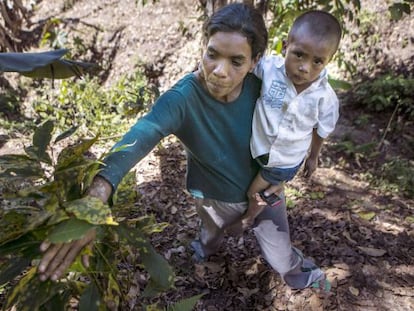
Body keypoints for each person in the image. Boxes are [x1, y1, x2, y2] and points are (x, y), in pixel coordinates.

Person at [38, 3, 329, 291]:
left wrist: (291, 169)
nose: (219, 71)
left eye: (236, 61)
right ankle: (205, 248)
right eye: (212, 55)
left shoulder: (268, 89)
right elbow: (142, 134)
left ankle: (299, 274)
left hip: (265, 194)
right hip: (213, 197)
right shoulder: (183, 98)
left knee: (280, 256)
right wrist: (97, 195)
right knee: (210, 235)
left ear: (254, 62)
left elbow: (304, 120)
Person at [240, 10, 342, 230]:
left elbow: (321, 131)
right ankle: (275, 190)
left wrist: (313, 158)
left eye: (317, 61)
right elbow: (245, 64)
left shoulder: (325, 99)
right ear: (286, 46)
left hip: (286, 161)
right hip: (260, 148)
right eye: (299, 55)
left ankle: (249, 217)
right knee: (267, 186)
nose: (305, 67)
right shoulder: (269, 68)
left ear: (329, 61)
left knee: (253, 192)